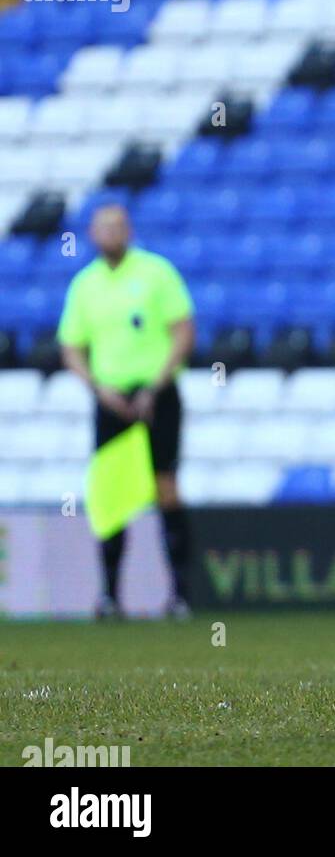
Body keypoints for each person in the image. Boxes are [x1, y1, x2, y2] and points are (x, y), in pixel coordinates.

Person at [58, 203, 196, 619]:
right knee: (112, 496)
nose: (111, 233)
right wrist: (99, 388)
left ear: (129, 230)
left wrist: (154, 386)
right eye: (103, 227)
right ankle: (110, 597)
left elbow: (183, 331)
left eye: (118, 226)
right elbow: (71, 347)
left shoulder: (156, 272)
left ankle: (180, 596)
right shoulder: (85, 284)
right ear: (92, 234)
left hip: (157, 396)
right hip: (111, 399)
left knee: (165, 487)